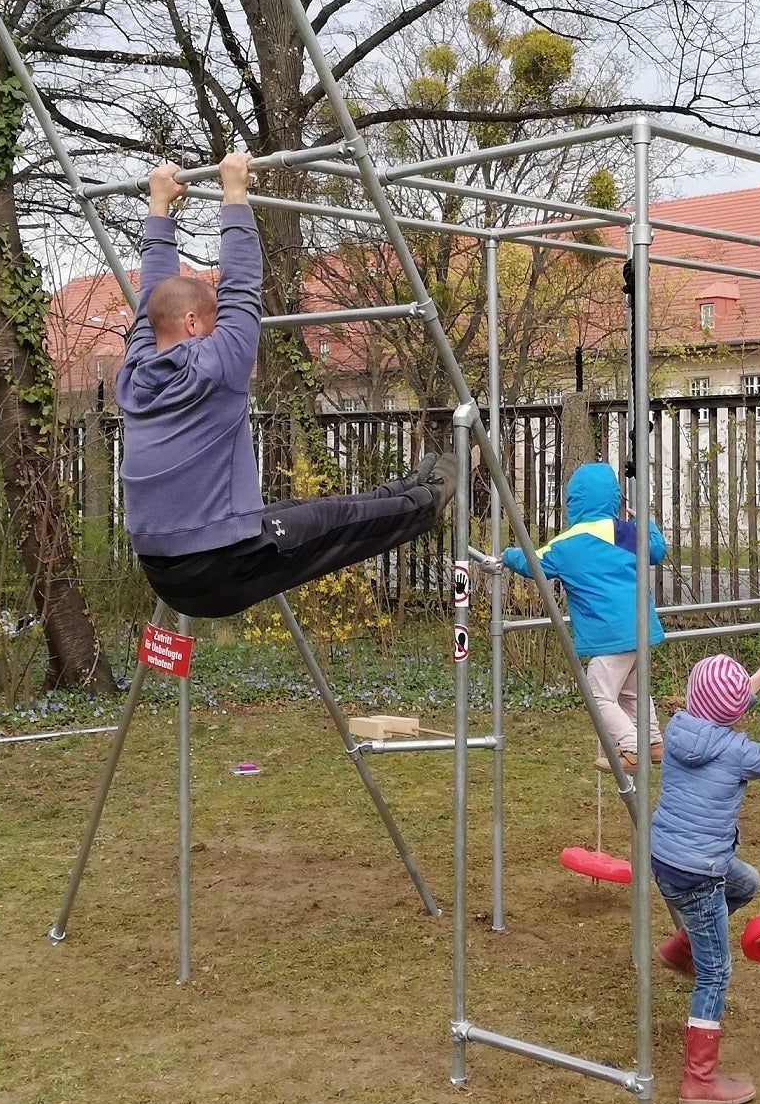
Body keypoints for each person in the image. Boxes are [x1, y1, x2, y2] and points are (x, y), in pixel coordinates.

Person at [116, 155, 454, 619]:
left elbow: (150, 300)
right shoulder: (218, 362)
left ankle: (405, 486)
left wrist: (159, 208)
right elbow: (241, 286)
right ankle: (427, 501)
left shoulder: (134, 371)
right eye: (215, 323)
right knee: (335, 525)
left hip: (163, 567)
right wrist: (235, 194)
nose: (223, 329)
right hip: (217, 568)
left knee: (314, 510)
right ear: (193, 322)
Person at [649, 652, 760, 1104]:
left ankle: (679, 949)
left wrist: (751, 683)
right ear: (734, 712)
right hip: (699, 873)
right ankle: (700, 1080)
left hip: (666, 859)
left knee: (747, 882)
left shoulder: (676, 730)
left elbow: (716, 710)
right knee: (716, 974)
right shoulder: (735, 751)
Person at [501, 462, 667, 770]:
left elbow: (531, 564)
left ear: (573, 502)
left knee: (598, 694)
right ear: (614, 499)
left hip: (608, 635)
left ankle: (633, 747)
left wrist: (507, 555)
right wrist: (645, 522)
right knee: (631, 692)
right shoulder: (625, 532)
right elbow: (656, 550)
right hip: (640, 629)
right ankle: (654, 742)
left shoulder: (568, 543)